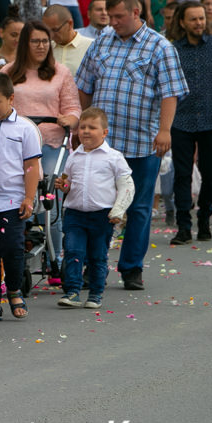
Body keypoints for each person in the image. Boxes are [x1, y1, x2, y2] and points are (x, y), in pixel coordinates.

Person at [76, 0, 189, 290]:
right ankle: (94, 266)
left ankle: (131, 268)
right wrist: (86, 121)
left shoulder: (159, 46)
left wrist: (164, 130)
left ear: (136, 12)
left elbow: (170, 92)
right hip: (103, 145)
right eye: (109, 16)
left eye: (119, 16)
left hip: (141, 142)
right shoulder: (102, 42)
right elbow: (85, 83)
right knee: (98, 205)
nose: (112, 22)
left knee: (138, 206)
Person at [2, 21, 81, 267]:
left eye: (45, 41)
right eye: (35, 41)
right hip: (17, 145)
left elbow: (72, 107)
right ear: (25, 43)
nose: (41, 46)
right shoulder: (8, 72)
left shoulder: (60, 72)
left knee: (49, 197)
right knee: (17, 197)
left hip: (51, 142)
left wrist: (69, 118)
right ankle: (19, 252)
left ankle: (55, 256)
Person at [167, 1, 212, 245]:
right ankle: (184, 227)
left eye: (201, 18)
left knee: (210, 175)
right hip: (181, 120)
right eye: (193, 19)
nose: (199, 23)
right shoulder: (173, 49)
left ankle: (205, 218)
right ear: (182, 22)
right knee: (182, 175)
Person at [0, 72, 40, 322]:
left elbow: (31, 165)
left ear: (11, 99)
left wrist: (29, 198)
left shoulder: (25, 128)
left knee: (12, 249)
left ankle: (13, 289)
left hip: (13, 200)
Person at [55, 107, 134, 308]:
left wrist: (118, 210)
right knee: (73, 251)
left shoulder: (114, 157)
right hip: (75, 214)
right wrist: (63, 186)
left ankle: (95, 294)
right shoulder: (73, 157)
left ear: (104, 132)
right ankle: (72, 291)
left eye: (92, 127)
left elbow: (126, 185)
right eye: (82, 127)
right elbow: (67, 183)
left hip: (102, 215)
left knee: (97, 256)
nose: (86, 131)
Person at [43, 4, 93, 74]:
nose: (51, 35)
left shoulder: (91, 46)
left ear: (70, 24)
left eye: (55, 30)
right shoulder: (45, 48)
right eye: (48, 31)